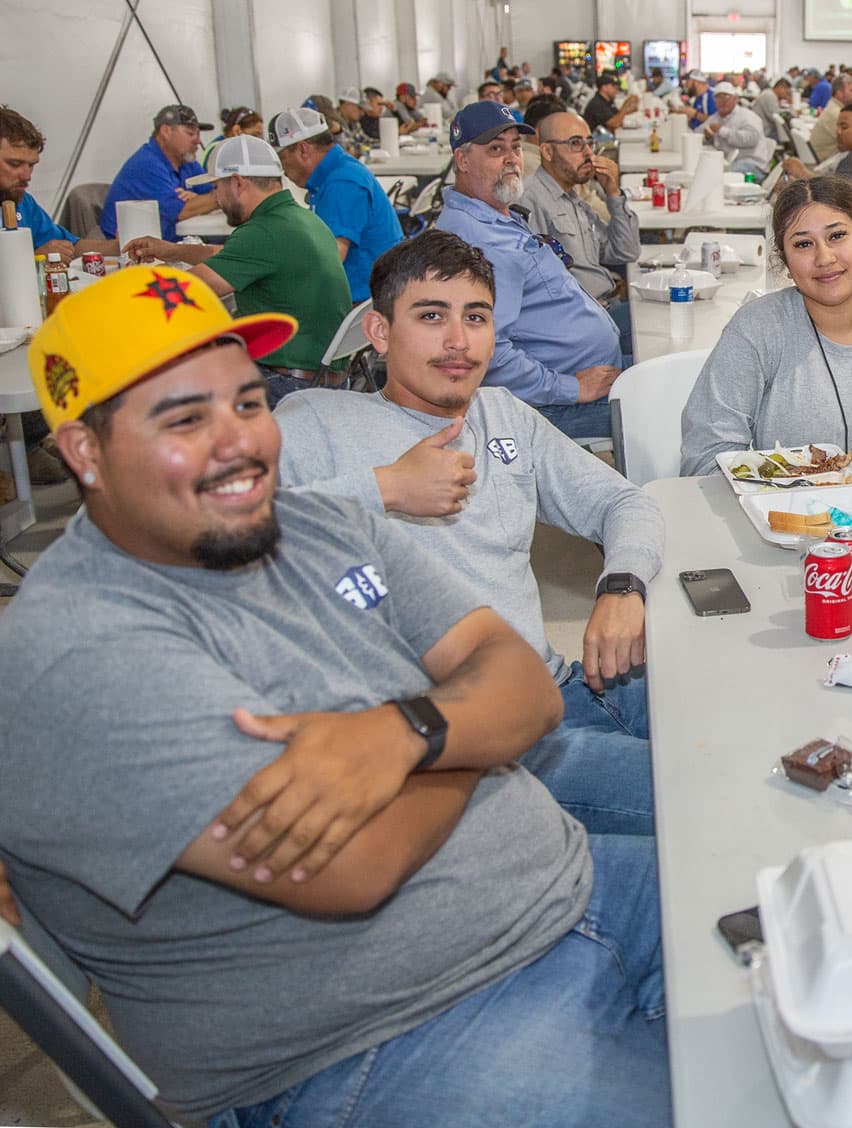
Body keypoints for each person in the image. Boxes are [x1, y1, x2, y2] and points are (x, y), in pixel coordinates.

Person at [0, 264, 670, 1126]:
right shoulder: (74, 652)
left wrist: (405, 732)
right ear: (86, 451)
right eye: (184, 418)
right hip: (382, 1038)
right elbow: (354, 867)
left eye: (246, 403)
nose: (238, 442)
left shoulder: (317, 523)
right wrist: (471, 726)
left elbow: (526, 690)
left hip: (577, 888)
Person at [276, 232, 659, 826]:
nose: (459, 341)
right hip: (474, 742)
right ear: (379, 333)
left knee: (742, 730)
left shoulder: (501, 412)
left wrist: (622, 587)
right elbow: (235, 545)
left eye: (475, 317)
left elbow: (626, 503)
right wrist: (386, 488)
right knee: (699, 792)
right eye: (431, 316)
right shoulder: (315, 422)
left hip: (568, 686)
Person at [681, 176, 852, 474]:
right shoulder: (758, 328)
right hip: (771, 513)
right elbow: (706, 458)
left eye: (837, 236)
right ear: (786, 263)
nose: (824, 257)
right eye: (803, 244)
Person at [435, 101, 622, 442]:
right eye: (495, 149)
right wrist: (570, 388)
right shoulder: (479, 241)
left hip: (578, 379)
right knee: (670, 411)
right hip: (549, 407)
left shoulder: (495, 216)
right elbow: (486, 352)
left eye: (516, 148)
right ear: (462, 160)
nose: (511, 159)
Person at [123, 135, 351, 407]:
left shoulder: (262, 232)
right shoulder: (301, 219)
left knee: (169, 389)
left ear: (238, 182)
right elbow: (228, 254)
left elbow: (188, 290)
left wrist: (127, 284)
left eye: (216, 187)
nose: (216, 198)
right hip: (326, 375)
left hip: (290, 385)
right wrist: (171, 251)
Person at [522, 111, 638, 354]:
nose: (588, 154)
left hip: (604, 309)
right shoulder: (531, 200)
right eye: (575, 144)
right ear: (547, 151)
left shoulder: (572, 197)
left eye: (589, 143)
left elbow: (625, 251)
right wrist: (581, 308)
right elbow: (534, 285)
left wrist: (614, 193)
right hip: (584, 321)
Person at [269, 107, 404, 305]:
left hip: (364, 305)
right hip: (372, 296)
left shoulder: (341, 183)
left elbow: (330, 258)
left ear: (302, 149)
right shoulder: (336, 173)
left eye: (282, 159)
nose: (283, 170)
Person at [0, 107, 116, 260]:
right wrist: (34, 259)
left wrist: (122, 246)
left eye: (31, 165)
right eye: (14, 164)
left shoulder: (22, 202)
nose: (27, 176)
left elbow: (70, 246)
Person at [99, 104, 219, 243]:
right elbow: (181, 212)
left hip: (170, 243)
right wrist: (222, 197)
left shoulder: (187, 162)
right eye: (190, 133)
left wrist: (199, 198)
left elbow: (209, 192)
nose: (198, 141)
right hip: (126, 252)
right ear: (166, 131)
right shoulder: (146, 164)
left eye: (198, 134)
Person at [785, 103, 852, 215]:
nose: (838, 132)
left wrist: (802, 174)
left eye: (844, 127)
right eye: (837, 127)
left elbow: (836, 203)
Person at [701, 81, 775, 179]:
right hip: (728, 163)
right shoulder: (715, 118)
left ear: (735, 99)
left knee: (721, 177)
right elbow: (699, 133)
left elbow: (751, 139)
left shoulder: (748, 116)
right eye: (718, 97)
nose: (723, 101)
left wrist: (722, 130)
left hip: (752, 165)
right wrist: (707, 137)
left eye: (726, 97)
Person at [807, 74, 852, 163]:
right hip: (826, 164)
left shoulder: (835, 108)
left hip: (826, 159)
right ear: (839, 93)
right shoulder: (836, 114)